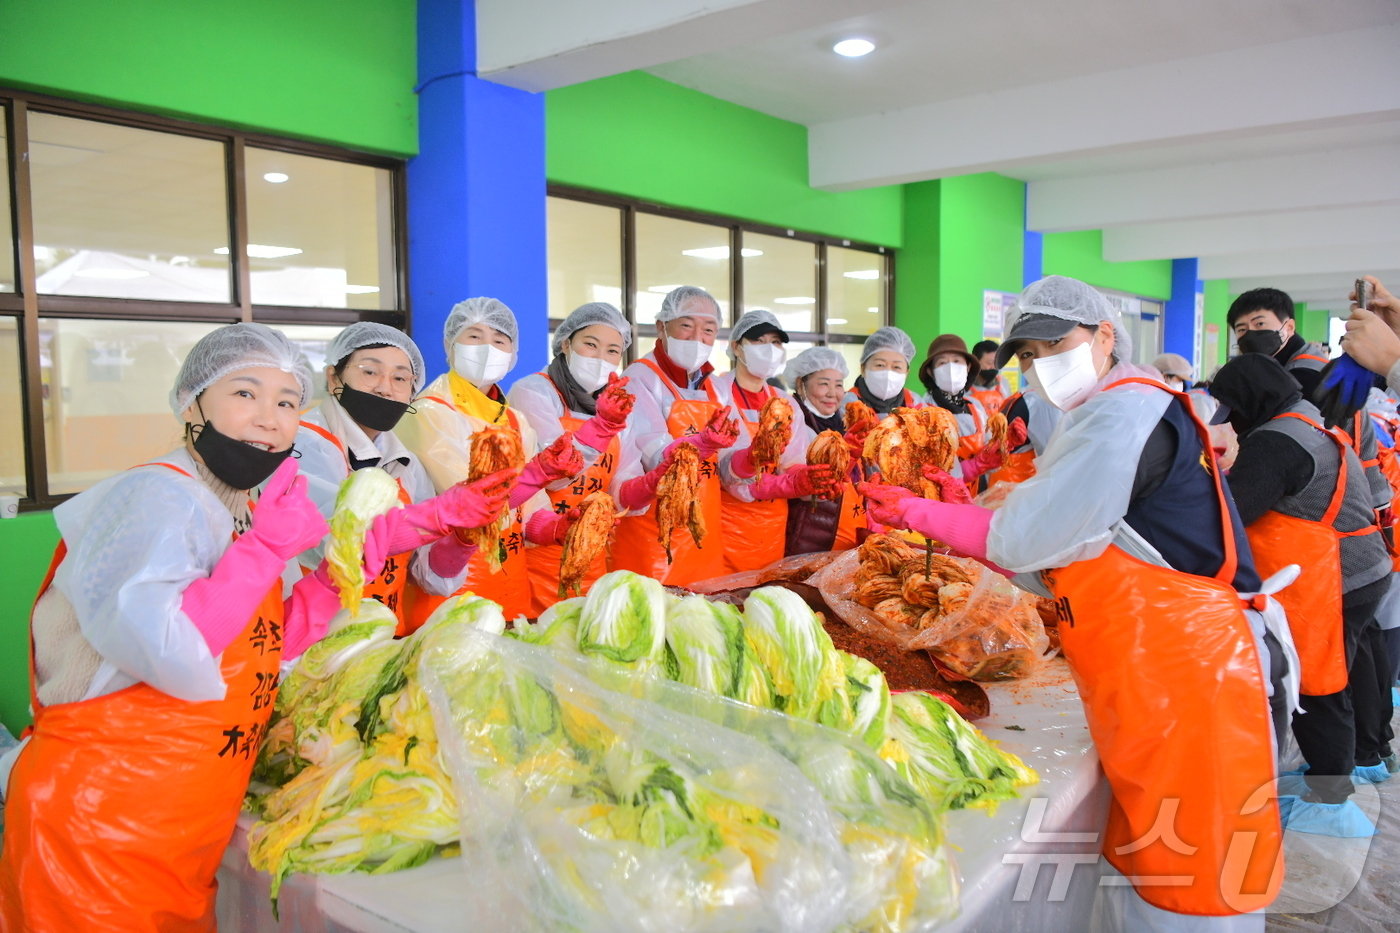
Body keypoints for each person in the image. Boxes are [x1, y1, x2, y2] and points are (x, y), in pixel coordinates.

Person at [861, 276, 1287, 930]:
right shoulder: (1113, 407)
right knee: (1156, 855)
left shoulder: (1122, 413)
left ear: (1105, 336)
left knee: (1197, 878)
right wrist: (961, 510)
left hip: (1190, 674)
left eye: (1052, 345)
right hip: (1153, 671)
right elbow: (1066, 556)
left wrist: (924, 511)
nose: (1037, 365)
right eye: (1027, 354)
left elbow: (1026, 537)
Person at [0, 323, 396, 931]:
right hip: (102, 818)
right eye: (245, 393)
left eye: (287, 402)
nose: (269, 418)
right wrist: (264, 552)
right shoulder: (154, 498)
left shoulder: (236, 507)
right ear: (191, 403)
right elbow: (168, 649)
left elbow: (256, 646)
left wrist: (333, 581)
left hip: (185, 817)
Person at [1210, 354, 1392, 832]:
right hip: (1356, 566)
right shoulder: (1306, 417)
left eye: (1234, 410)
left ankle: (1330, 797)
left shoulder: (1276, 441)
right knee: (1334, 674)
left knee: (1318, 682)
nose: (1233, 423)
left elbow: (1235, 513)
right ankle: (1334, 773)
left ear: (1253, 400)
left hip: (1336, 576)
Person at [294, 322, 514, 634]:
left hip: (380, 638)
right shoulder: (303, 444)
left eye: (400, 378)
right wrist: (441, 512)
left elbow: (430, 575)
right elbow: (342, 542)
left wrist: (462, 540)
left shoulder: (405, 461)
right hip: (311, 640)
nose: (385, 388)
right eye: (370, 372)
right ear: (333, 377)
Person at [397, 298, 581, 623]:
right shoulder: (428, 413)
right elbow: (473, 502)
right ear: (450, 344)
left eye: (499, 340)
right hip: (452, 584)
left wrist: (552, 527)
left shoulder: (513, 419)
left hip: (508, 583)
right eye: (474, 336)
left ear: (513, 354)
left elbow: (530, 508)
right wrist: (537, 474)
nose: (487, 348)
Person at [508, 302, 676, 613]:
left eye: (612, 351)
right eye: (590, 344)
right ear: (565, 343)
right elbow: (556, 473)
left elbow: (621, 489)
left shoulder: (617, 404)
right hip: (535, 556)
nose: (600, 358)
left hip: (592, 557)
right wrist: (603, 427)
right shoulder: (533, 392)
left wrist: (656, 480)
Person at [613, 286, 740, 585]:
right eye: (686, 325)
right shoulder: (638, 378)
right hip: (655, 534)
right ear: (661, 326)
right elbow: (655, 453)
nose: (697, 338)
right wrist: (704, 442)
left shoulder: (716, 386)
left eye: (708, 330)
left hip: (704, 529)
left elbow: (733, 461)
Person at [711, 310, 835, 573]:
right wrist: (784, 482)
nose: (769, 349)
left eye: (776, 343)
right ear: (736, 347)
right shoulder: (716, 393)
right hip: (725, 523)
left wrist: (808, 479)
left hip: (771, 526)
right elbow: (725, 472)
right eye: (758, 341)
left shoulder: (784, 401)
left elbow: (793, 461)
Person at [784, 347, 868, 555]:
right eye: (823, 384)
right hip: (810, 538)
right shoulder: (794, 424)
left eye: (838, 385)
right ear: (800, 383)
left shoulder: (846, 422)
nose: (833, 393)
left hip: (851, 532)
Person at [915, 333, 1024, 491]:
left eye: (957, 361)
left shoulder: (975, 406)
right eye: (942, 363)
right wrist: (974, 465)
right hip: (940, 502)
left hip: (977, 492)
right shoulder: (922, 412)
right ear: (931, 372)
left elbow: (989, 454)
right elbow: (926, 472)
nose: (951, 368)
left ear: (968, 367)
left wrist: (1003, 445)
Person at [1228, 287, 1331, 396]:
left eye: (1260, 324)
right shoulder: (1275, 364)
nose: (1250, 334)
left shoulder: (1306, 373)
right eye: (1242, 329)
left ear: (1289, 327)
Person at [841, 325, 920, 417]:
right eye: (880, 365)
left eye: (896, 367)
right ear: (863, 369)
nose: (888, 374)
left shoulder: (915, 403)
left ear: (906, 373)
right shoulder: (846, 404)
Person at [967, 338, 1011, 412]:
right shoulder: (964, 385)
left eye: (996, 363)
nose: (993, 367)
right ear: (975, 362)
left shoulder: (1003, 383)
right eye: (989, 363)